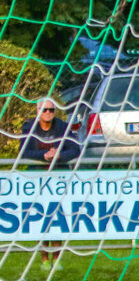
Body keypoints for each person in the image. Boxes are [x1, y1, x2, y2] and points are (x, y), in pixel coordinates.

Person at [20, 96, 81, 268]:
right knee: (41, 219)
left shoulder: (62, 126)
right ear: (37, 111)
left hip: (58, 178)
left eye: (51, 110)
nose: (48, 113)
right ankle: (44, 259)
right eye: (44, 110)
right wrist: (43, 156)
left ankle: (57, 258)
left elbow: (75, 148)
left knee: (58, 217)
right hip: (36, 178)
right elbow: (23, 152)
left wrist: (59, 156)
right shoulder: (28, 127)